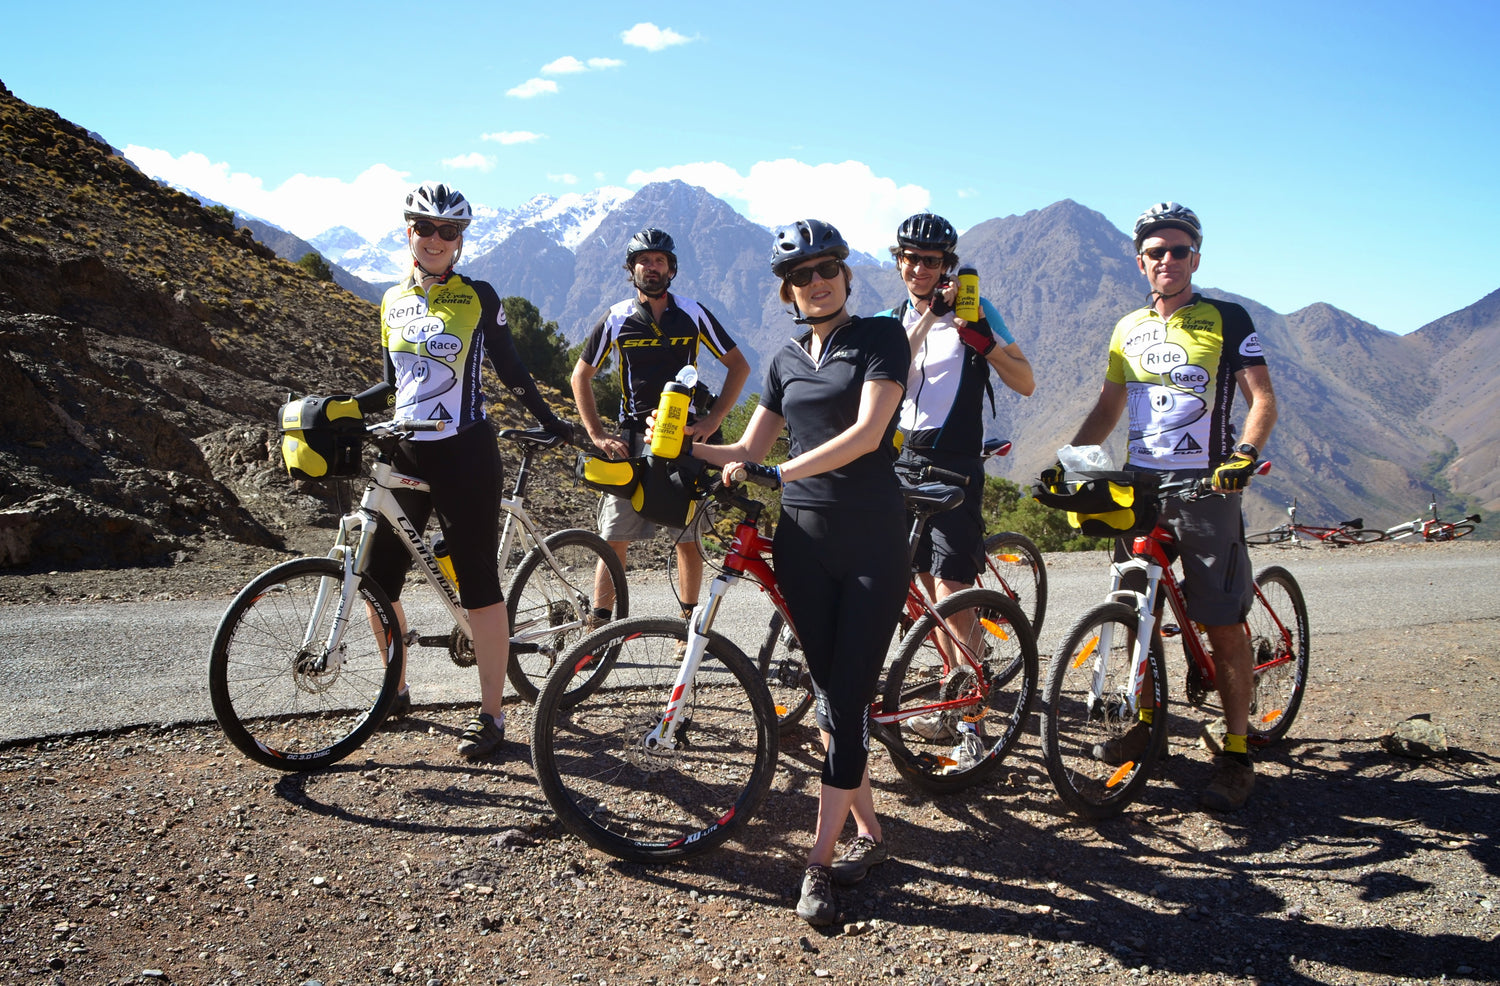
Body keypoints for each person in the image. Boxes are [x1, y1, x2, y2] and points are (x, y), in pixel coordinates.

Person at [677, 220, 910, 926]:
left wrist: (778, 470)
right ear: (787, 289)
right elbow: (750, 444)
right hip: (802, 542)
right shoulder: (783, 359)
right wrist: (685, 450)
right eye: (802, 275)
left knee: (845, 699)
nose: (816, 282)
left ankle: (816, 866)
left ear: (845, 274)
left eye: (827, 269)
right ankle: (872, 839)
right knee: (833, 694)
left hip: (872, 538)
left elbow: (868, 434)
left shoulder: (879, 339)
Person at [1056, 201, 1278, 811]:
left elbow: (1262, 399)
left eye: (1179, 250)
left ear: (1195, 258)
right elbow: (1109, 408)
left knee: (1221, 621)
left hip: (1209, 487)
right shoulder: (1128, 327)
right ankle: (1147, 721)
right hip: (1141, 488)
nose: (1168, 261)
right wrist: (1070, 460)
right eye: (1156, 252)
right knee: (1138, 606)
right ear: (1141, 262)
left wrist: (1243, 454)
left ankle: (1237, 747)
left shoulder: (1228, 319)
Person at [368, 180, 573, 759]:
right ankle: (395, 688)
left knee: (479, 585)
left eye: (449, 231)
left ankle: (492, 716)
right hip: (406, 449)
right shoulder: (391, 301)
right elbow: (391, 384)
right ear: (408, 231)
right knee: (379, 580)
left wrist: (552, 421)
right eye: (425, 228)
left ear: (460, 240)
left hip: (465, 448)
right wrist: (335, 408)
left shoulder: (477, 295)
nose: (436, 239)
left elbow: (513, 370)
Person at [571, 228, 750, 625]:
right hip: (633, 442)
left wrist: (714, 419)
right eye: (643, 260)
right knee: (613, 537)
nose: (651, 268)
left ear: (671, 269)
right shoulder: (617, 318)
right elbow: (580, 376)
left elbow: (739, 365)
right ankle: (600, 626)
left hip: (681, 443)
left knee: (687, 538)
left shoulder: (694, 312)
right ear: (630, 268)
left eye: (659, 261)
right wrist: (598, 435)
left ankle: (689, 626)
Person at [880, 212, 1035, 614]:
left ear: (947, 265)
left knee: (950, 587)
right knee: (915, 578)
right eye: (911, 257)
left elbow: (1026, 382)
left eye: (931, 261)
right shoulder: (890, 322)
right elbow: (894, 369)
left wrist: (987, 346)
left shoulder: (976, 309)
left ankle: (971, 674)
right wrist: (931, 314)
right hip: (904, 458)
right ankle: (956, 668)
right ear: (898, 260)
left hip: (955, 462)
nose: (919, 268)